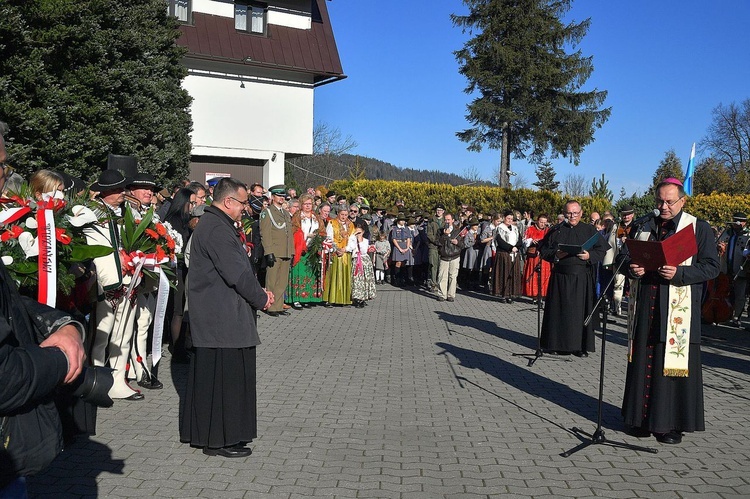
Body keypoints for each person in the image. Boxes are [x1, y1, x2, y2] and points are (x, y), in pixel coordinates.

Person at [618, 178, 719, 445]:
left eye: (669, 202)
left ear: (682, 201)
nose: (663, 207)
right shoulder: (643, 226)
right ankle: (639, 420)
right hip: (645, 308)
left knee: (670, 367)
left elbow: (712, 267)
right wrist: (633, 268)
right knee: (642, 361)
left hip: (677, 311)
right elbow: (624, 258)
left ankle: (670, 425)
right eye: (660, 201)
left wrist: (680, 273)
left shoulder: (698, 228)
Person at [180, 177, 273, 458]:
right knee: (225, 382)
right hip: (221, 318)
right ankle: (219, 440)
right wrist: (261, 298)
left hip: (218, 316)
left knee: (213, 381)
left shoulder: (215, 224)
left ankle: (204, 434)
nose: (245, 209)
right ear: (228, 201)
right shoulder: (217, 229)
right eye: (243, 203)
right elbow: (238, 274)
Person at [85, 170, 145, 400]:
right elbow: (94, 245)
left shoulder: (127, 211)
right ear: (106, 192)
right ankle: (98, 380)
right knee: (102, 333)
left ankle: (118, 380)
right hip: (107, 281)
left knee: (124, 332)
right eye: (118, 189)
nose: (123, 193)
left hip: (129, 280)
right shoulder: (91, 212)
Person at [539, 200, 610, 357]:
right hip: (560, 277)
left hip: (581, 278)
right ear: (564, 213)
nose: (572, 216)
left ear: (581, 213)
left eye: (575, 213)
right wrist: (556, 255)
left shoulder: (589, 230)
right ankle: (555, 344)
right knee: (559, 312)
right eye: (569, 213)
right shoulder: (556, 230)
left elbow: (602, 250)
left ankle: (579, 346)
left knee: (579, 313)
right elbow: (544, 250)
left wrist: (589, 255)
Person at [126, 173, 163, 389]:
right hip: (133, 278)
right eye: (143, 188)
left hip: (148, 278)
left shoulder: (150, 213)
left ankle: (137, 367)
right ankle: (140, 371)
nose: (149, 192)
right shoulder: (128, 213)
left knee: (144, 322)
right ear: (131, 190)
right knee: (137, 325)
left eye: (151, 189)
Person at [260, 185, 294, 317]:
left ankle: (278, 305)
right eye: (279, 196)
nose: (281, 198)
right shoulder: (267, 212)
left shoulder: (285, 213)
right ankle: (270, 306)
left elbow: (288, 233)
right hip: (274, 250)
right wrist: (268, 251)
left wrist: (291, 250)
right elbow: (265, 232)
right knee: (272, 280)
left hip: (285, 250)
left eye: (283, 196)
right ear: (272, 197)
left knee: (282, 281)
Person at [287, 194, 326, 308]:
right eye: (305, 204)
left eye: (310, 204)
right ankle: (296, 298)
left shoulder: (316, 217)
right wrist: (302, 237)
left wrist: (317, 237)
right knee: (299, 272)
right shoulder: (297, 216)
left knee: (310, 273)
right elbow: (294, 230)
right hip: (301, 248)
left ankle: (308, 297)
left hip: (312, 249)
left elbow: (322, 231)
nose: (308, 206)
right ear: (301, 205)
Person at [716, 213, 749, 327]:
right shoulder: (727, 233)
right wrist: (719, 247)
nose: (737, 223)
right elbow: (718, 245)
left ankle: (736, 317)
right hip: (725, 268)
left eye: (740, 221)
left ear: (745, 223)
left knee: (740, 295)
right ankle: (723, 314)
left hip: (740, 269)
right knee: (723, 292)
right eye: (735, 220)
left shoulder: (748, 235)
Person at [323, 204, 353, 306]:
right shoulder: (332, 223)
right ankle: (330, 298)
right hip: (335, 253)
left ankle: (343, 299)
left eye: (346, 214)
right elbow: (329, 237)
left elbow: (353, 240)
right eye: (342, 214)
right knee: (333, 275)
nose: (344, 216)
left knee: (345, 276)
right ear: (338, 213)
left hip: (346, 253)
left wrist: (346, 249)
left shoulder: (351, 225)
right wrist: (336, 248)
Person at [493, 210, 523, 303]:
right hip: (504, 254)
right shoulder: (499, 228)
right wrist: (510, 247)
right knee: (504, 274)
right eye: (508, 218)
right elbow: (500, 241)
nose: (510, 220)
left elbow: (520, 240)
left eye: (511, 219)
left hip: (514, 254)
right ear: (504, 218)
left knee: (513, 274)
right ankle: (503, 295)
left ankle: (511, 294)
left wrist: (516, 247)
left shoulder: (515, 228)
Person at [347, 220, 376, 308]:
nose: (358, 233)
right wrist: (354, 237)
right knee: (357, 280)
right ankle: (357, 298)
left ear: (363, 231)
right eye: (356, 231)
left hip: (364, 261)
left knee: (365, 279)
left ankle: (364, 297)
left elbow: (363, 250)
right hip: (356, 260)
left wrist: (360, 240)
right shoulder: (352, 239)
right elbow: (351, 247)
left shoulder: (365, 241)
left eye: (360, 232)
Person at [522, 214, 551, 302]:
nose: (542, 224)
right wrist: (531, 240)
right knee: (533, 275)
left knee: (543, 275)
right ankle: (534, 295)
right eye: (541, 222)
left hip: (544, 257)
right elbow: (524, 240)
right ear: (537, 221)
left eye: (544, 223)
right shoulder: (530, 229)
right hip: (533, 257)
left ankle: (542, 295)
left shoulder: (548, 231)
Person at [436, 213, 464, 302]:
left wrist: (457, 242)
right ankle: (442, 294)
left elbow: (463, 244)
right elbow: (438, 243)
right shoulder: (440, 230)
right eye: (445, 220)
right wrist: (444, 235)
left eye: (448, 220)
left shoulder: (457, 230)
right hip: (444, 256)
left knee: (453, 276)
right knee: (442, 276)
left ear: (452, 220)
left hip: (455, 255)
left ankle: (451, 295)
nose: (447, 221)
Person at [613, 204, 635, 316]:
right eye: (623, 215)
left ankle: (633, 309)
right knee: (618, 285)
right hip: (619, 260)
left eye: (628, 214)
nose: (626, 217)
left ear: (632, 215)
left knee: (633, 286)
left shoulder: (637, 226)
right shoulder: (616, 227)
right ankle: (617, 309)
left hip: (633, 260)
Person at [389, 213, 414, 286]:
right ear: (398, 221)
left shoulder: (406, 228)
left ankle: (402, 279)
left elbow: (409, 238)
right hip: (398, 246)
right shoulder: (395, 229)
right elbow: (394, 239)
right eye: (401, 220)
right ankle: (397, 279)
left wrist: (407, 247)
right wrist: (399, 248)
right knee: (398, 263)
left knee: (404, 263)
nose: (403, 221)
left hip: (405, 245)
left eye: (404, 220)